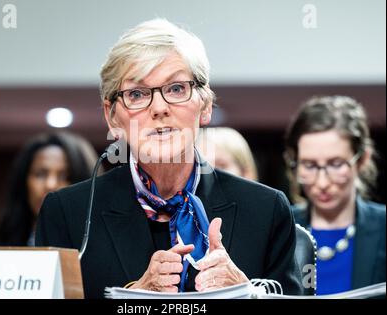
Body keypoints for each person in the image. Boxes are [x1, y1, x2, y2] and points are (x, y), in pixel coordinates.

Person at [36, 18, 302, 298]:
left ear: (205, 105)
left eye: (176, 89)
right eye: (137, 94)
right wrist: (133, 298)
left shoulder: (266, 209)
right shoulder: (66, 213)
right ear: (112, 116)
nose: (159, 107)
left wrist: (246, 293)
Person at [284, 95, 386, 295]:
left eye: (336, 164)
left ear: (361, 159)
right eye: (309, 165)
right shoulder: (280, 228)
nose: (322, 183)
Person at [0, 131, 99, 246]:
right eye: (40, 174)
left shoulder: (102, 249)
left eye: (64, 176)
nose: (50, 185)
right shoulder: (2, 248)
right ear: (24, 181)